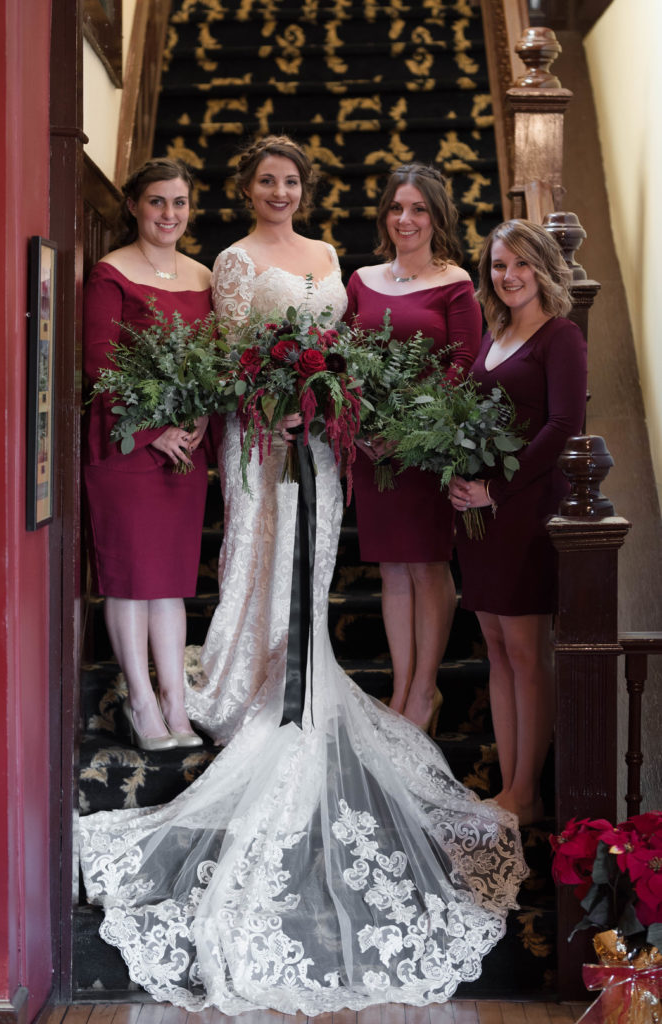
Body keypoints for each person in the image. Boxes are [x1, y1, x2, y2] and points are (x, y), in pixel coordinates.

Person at [78, 137, 528, 1016]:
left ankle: (303, 662)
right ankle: (250, 676)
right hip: (263, 430)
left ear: (305, 190)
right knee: (261, 550)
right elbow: (237, 346)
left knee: (317, 560)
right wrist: (270, 406)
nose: (279, 191)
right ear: (247, 190)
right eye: (265, 181)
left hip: (324, 435)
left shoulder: (332, 260)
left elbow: (343, 341)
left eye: (291, 181)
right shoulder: (234, 263)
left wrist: (320, 400)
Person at [448, 219, 588, 826]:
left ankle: (529, 792)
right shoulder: (493, 332)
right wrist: (456, 472)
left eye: (521, 264)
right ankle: (509, 787)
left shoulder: (562, 337)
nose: (508, 276)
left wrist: (494, 488)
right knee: (498, 650)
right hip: (479, 515)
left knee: (528, 652)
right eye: (499, 266)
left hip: (526, 508)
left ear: (543, 267)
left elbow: (564, 427)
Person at [345, 164, 482, 731]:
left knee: (427, 567)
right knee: (392, 572)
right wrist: (358, 425)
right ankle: (401, 689)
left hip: (426, 450)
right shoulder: (362, 280)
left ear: (438, 217)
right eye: (398, 208)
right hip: (373, 451)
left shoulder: (457, 283)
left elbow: (465, 364)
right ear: (385, 215)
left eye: (419, 209)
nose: (406, 219)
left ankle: (426, 691)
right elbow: (346, 362)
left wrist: (409, 428)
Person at [83, 157, 211, 750]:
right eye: (157, 201)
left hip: (187, 448)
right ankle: (141, 702)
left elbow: (215, 365)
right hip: (128, 445)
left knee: (171, 583)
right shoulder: (110, 274)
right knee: (132, 581)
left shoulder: (204, 277)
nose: (169, 214)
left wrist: (199, 417)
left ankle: (176, 708)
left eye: (178, 202)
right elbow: (101, 364)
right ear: (134, 205)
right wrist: (153, 431)